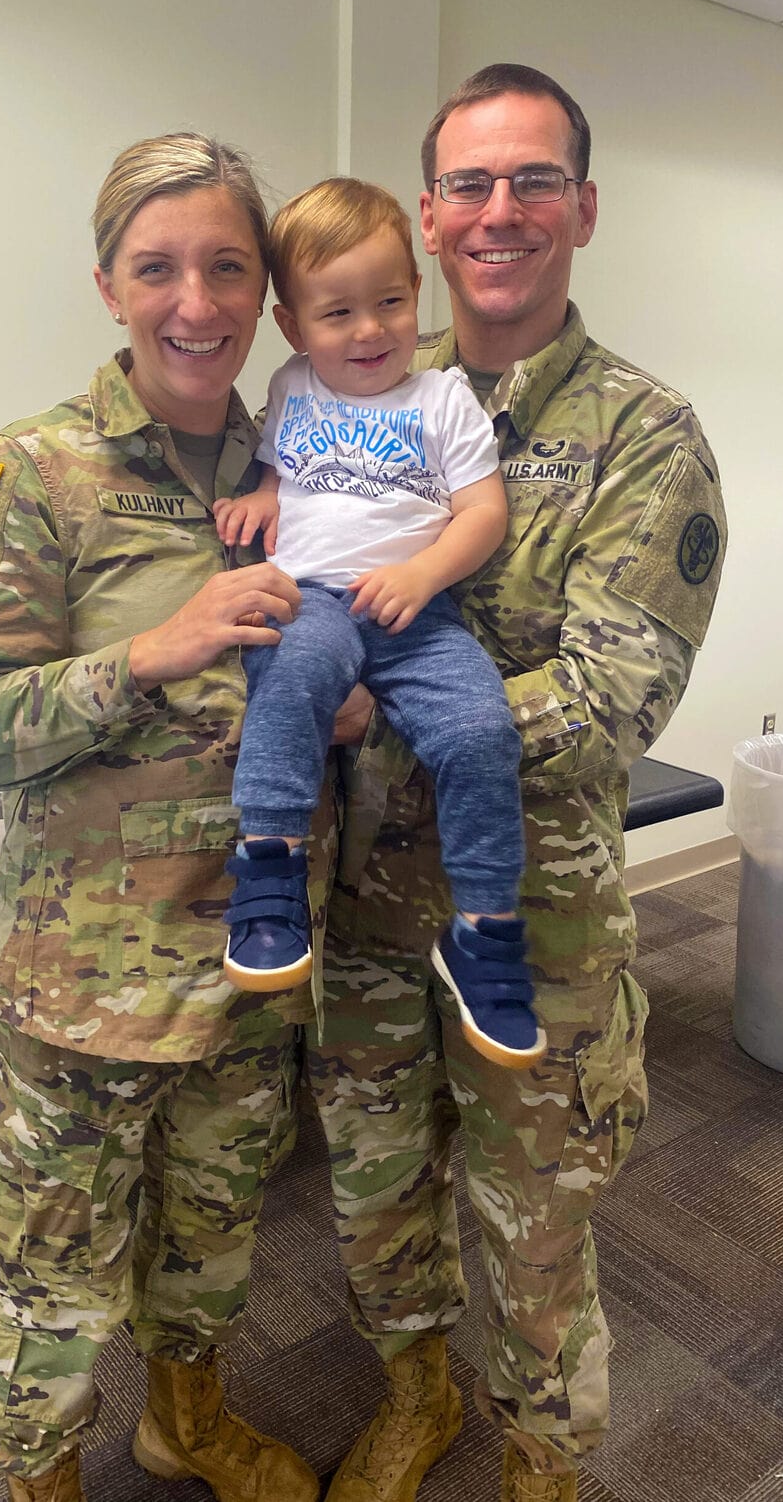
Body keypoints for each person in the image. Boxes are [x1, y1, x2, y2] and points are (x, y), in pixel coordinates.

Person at [307, 65, 727, 1502]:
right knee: (376, 1190)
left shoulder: (644, 437)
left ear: (584, 209)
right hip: (364, 912)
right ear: (427, 214)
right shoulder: (359, 386)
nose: (502, 212)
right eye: (472, 185)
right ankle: (417, 1394)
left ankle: (540, 1461)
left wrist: (371, 720)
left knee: (536, 1227)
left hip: (533, 931)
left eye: (534, 181)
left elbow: (612, 697)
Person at [0, 132, 335, 1502]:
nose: (196, 302)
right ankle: (45, 1481)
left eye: (228, 266)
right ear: (108, 283)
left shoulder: (312, 467)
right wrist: (153, 649)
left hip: (244, 973)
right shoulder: (37, 469)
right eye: (158, 267)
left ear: (265, 291)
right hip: (75, 998)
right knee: (45, 1296)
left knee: (210, 1250)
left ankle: (186, 1422)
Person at [213, 177, 545, 1068]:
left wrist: (423, 570)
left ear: (417, 295)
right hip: (313, 596)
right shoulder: (287, 386)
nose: (370, 331)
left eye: (392, 302)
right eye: (339, 313)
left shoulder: (441, 400)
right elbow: (287, 472)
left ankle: (484, 927)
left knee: (481, 731)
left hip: (416, 612)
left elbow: (482, 513)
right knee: (289, 677)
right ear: (293, 327)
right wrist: (264, 494)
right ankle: (270, 866)